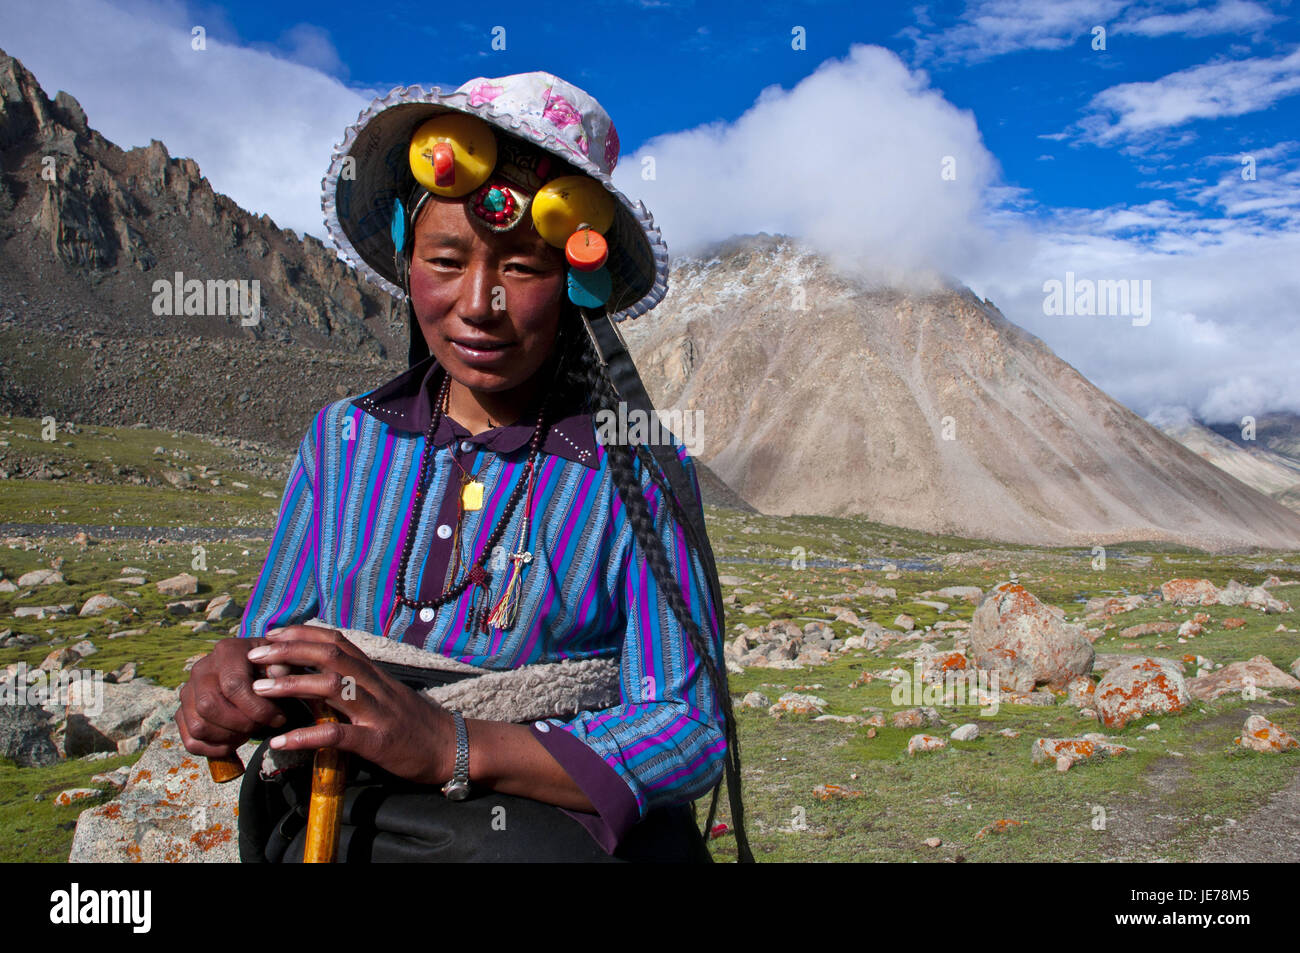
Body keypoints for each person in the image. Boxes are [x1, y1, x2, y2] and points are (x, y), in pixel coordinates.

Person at [175, 71, 753, 862]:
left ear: (578, 286)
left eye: (522, 268)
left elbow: (688, 728)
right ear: (408, 260)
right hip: (330, 815)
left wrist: (451, 742)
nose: (479, 302)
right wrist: (230, 675)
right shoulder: (342, 441)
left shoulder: (637, 476)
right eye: (446, 260)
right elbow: (273, 638)